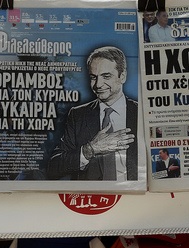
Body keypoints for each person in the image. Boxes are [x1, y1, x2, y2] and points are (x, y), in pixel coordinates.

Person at [47, 46, 138, 181]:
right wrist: (90, 149)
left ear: (122, 76)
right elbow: (53, 167)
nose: (98, 85)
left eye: (106, 76)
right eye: (93, 77)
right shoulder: (77, 115)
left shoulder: (140, 112)